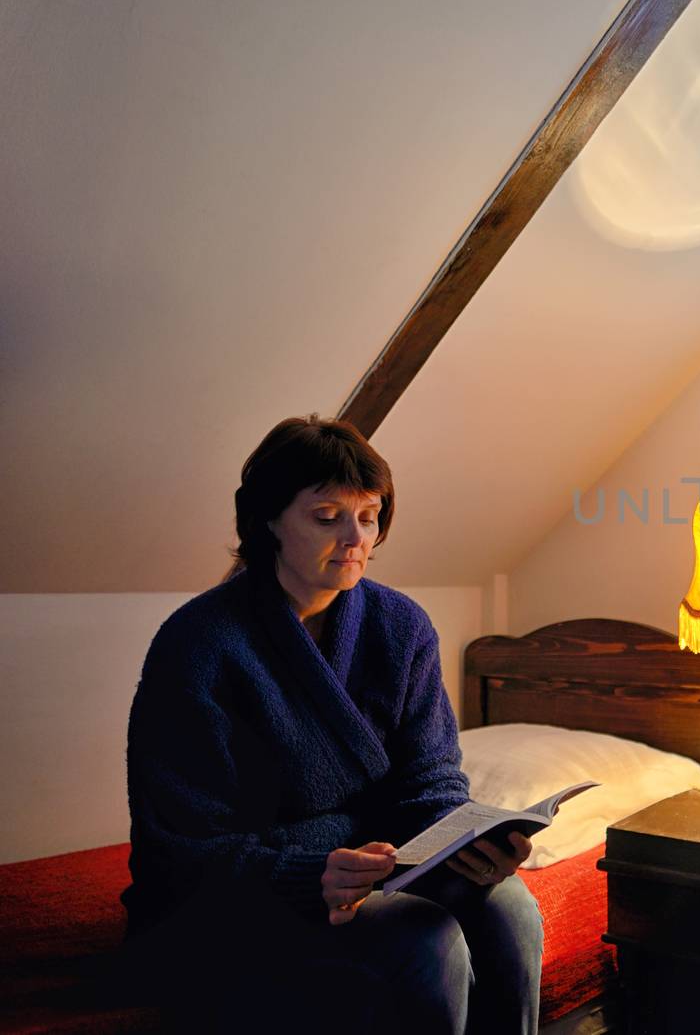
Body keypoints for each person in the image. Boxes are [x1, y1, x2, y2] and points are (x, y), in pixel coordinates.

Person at [123, 415, 541, 1034]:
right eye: (327, 517)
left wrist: (465, 845)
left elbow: (430, 781)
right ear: (267, 520)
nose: (355, 539)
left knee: (510, 907)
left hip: (380, 866)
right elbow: (177, 845)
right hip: (241, 896)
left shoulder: (400, 626)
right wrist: (309, 873)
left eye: (368, 516)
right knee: (427, 940)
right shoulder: (200, 643)